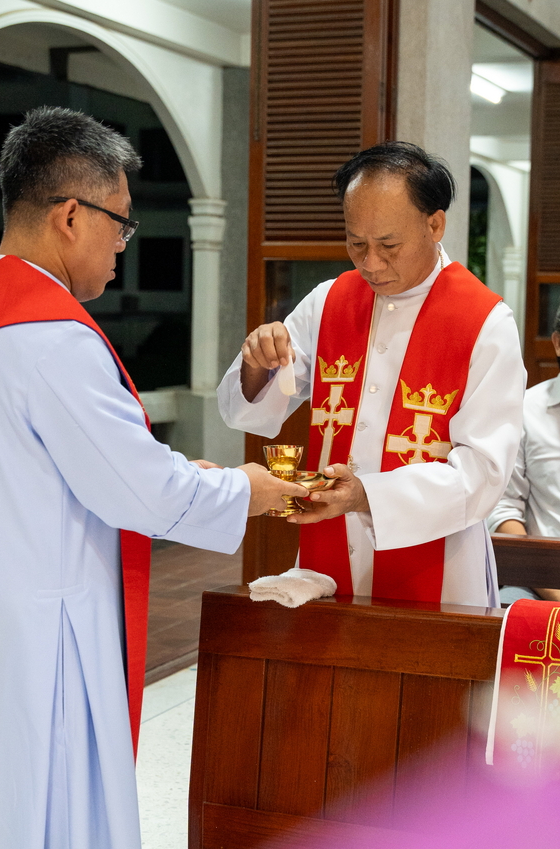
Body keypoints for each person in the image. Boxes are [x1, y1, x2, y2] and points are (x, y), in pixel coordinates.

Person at [0, 106, 307, 849]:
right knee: (40, 820)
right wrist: (248, 490)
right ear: (70, 215)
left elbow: (68, 467)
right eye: (120, 223)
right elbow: (141, 490)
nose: (124, 246)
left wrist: (178, 470)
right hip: (42, 639)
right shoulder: (48, 337)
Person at [218, 142, 525, 606]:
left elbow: (484, 473)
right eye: (356, 244)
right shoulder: (329, 301)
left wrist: (367, 496)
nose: (370, 263)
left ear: (435, 225)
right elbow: (253, 411)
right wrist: (257, 363)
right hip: (328, 556)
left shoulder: (485, 322)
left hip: (439, 568)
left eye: (388, 246)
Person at [488, 305, 560, 605]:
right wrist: (551, 590)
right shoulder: (524, 410)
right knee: (509, 608)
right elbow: (502, 509)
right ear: (557, 343)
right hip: (541, 580)